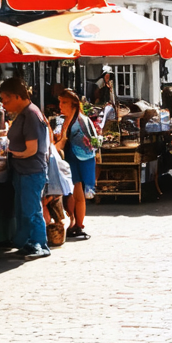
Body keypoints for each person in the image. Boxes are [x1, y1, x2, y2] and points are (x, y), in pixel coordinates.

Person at [0, 77, 50, 260]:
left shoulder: (30, 114)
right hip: (23, 171)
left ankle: (40, 244)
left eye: (6, 100)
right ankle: (29, 243)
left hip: (31, 171)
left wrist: (10, 153)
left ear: (17, 96)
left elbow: (31, 149)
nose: (4, 105)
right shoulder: (24, 113)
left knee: (31, 210)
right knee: (23, 209)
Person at [55, 89, 98, 239]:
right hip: (68, 160)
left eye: (64, 102)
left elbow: (88, 145)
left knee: (78, 195)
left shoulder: (81, 121)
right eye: (60, 102)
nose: (60, 105)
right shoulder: (63, 119)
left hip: (78, 160)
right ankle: (73, 223)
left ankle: (79, 225)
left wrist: (59, 144)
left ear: (73, 104)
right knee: (70, 195)